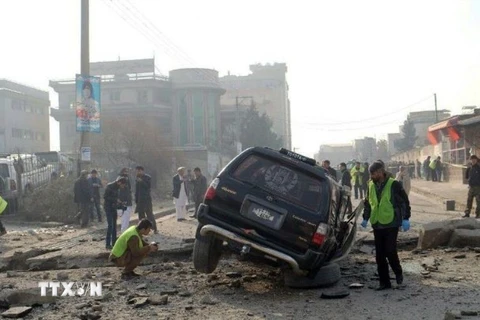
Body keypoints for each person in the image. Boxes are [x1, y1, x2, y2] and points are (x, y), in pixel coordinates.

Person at [361, 161, 411, 290]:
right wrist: (365, 218)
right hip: (377, 223)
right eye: (370, 174)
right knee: (380, 255)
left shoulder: (393, 184)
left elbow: (404, 201)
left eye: (373, 173)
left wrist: (406, 218)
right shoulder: (371, 185)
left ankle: (398, 272)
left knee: (390, 250)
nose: (371, 176)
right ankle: (384, 283)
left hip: (391, 223)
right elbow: (368, 203)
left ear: (380, 172)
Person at [104, 177, 128, 250]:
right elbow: (105, 197)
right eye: (123, 185)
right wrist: (116, 200)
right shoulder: (109, 186)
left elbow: (115, 199)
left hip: (114, 208)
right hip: (108, 208)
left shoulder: (117, 188)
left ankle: (114, 243)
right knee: (110, 226)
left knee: (114, 226)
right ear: (120, 182)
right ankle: (108, 244)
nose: (122, 187)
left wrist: (120, 204)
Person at [134, 166, 158, 234]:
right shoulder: (137, 178)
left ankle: (154, 228)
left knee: (149, 215)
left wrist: (142, 181)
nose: (138, 172)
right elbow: (136, 190)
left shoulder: (147, 177)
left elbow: (148, 187)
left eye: (139, 171)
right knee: (141, 216)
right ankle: (142, 230)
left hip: (146, 199)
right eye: (137, 171)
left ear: (142, 171)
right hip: (139, 200)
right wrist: (136, 199)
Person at [118, 168, 133, 233]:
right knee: (124, 219)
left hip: (127, 201)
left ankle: (124, 231)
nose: (126, 173)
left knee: (126, 219)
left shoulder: (127, 179)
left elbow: (129, 189)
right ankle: (123, 232)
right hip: (123, 203)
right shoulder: (120, 179)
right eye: (125, 172)